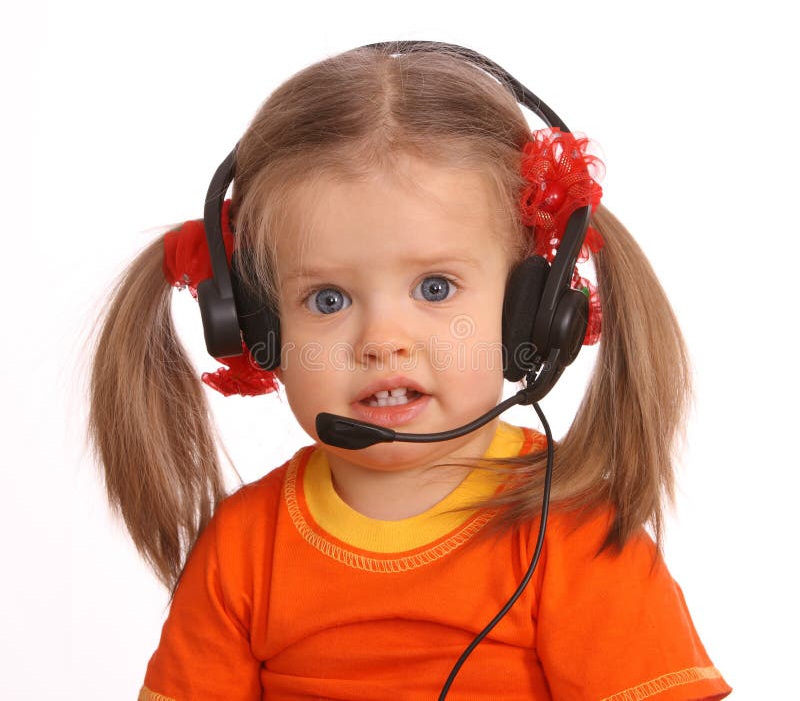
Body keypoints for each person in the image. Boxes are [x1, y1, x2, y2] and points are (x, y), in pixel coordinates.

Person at [88, 42, 731, 700]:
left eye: (435, 288)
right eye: (328, 299)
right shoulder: (243, 549)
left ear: (530, 313)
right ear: (257, 328)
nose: (383, 341)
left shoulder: (569, 530)